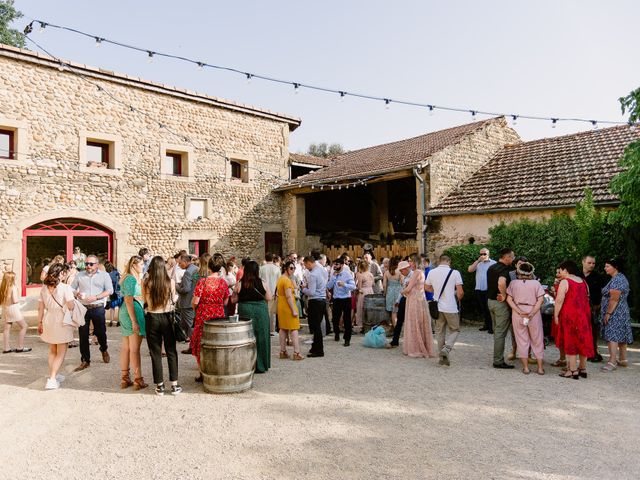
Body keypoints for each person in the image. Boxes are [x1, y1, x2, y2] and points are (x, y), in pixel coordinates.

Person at [143, 256, 181, 396]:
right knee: (171, 350)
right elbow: (173, 298)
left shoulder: (146, 283)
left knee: (155, 352)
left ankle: (160, 385)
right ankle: (174, 384)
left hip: (152, 316)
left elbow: (144, 301)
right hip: (166, 316)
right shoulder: (169, 282)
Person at [71, 254, 113, 371]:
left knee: (100, 332)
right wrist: (77, 293)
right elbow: (71, 288)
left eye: (90, 264)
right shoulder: (80, 275)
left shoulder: (104, 275)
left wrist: (96, 297)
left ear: (97, 264)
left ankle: (103, 348)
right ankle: (85, 360)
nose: (88, 266)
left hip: (98, 307)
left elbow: (110, 290)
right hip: (83, 308)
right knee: (83, 335)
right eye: (86, 264)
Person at [554, 260, 594, 379]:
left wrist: (556, 315)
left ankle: (572, 370)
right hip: (583, 316)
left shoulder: (565, 282)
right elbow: (587, 298)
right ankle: (582, 368)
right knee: (582, 341)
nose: (560, 272)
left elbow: (559, 300)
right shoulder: (583, 282)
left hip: (569, 316)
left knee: (570, 341)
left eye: (561, 270)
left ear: (566, 270)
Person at [38, 263, 75, 389]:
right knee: (61, 351)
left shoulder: (44, 288)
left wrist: (40, 322)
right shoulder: (65, 287)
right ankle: (52, 378)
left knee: (53, 350)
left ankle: (54, 375)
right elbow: (71, 306)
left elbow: (40, 307)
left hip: (48, 318)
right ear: (61, 273)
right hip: (61, 319)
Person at [191, 258, 229, 381]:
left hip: (204, 314)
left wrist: (195, 307)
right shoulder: (223, 283)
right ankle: (217, 370)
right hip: (218, 314)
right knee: (217, 342)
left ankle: (202, 372)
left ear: (209, 267)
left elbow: (195, 301)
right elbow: (226, 301)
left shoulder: (203, 282)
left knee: (202, 342)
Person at [505, 262, 545, 375]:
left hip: (518, 313)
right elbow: (540, 300)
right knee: (537, 339)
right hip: (534, 312)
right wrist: (532, 313)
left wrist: (518, 311)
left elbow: (509, 300)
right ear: (531, 272)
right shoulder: (536, 284)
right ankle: (540, 368)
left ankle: (526, 367)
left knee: (522, 340)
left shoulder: (513, 283)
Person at [425, 255, 463, 366]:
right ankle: (447, 348)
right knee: (455, 329)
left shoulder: (432, 272)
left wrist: (435, 291)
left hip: (437, 306)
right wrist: (457, 298)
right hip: (450, 307)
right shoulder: (455, 273)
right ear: (449, 261)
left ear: (439, 261)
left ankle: (443, 359)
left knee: (440, 331)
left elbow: (427, 287)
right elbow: (460, 292)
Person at [235, 261, 272, 373]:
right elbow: (269, 297)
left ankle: (248, 364)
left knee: (246, 337)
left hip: (245, 310)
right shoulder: (263, 282)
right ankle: (261, 365)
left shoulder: (240, 283)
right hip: (260, 311)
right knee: (262, 336)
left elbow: (234, 299)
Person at [118, 255, 147, 390]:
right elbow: (129, 300)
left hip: (127, 311)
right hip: (132, 311)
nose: (143, 266)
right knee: (134, 349)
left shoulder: (130, 278)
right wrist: (135, 320)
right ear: (134, 265)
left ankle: (125, 379)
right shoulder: (130, 278)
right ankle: (138, 379)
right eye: (141, 264)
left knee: (127, 347)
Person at [600, 258, 633, 372]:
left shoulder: (618, 280)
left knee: (612, 335)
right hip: (621, 311)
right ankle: (623, 359)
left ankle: (612, 361)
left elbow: (614, 299)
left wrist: (608, 313)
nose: (605, 268)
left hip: (616, 312)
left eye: (607, 266)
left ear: (615, 267)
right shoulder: (618, 278)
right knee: (621, 335)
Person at [402, 256, 436, 358]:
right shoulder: (421, 272)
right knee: (420, 322)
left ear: (415, 263)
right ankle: (422, 345)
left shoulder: (416, 272)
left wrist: (402, 291)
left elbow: (408, 289)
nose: (409, 264)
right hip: (420, 299)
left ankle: (416, 347)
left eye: (410, 262)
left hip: (414, 300)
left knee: (414, 322)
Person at [487, 248, 516, 369]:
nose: (513, 259)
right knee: (500, 333)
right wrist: (504, 295)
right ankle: (498, 361)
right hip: (500, 304)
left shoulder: (491, 267)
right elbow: (501, 282)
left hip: (490, 302)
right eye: (512, 257)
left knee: (496, 331)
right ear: (507, 257)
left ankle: (497, 356)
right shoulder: (505, 269)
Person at [276, 261, 304, 360]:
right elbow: (288, 296)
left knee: (283, 328)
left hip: (281, 305)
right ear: (286, 268)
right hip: (288, 306)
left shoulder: (281, 279)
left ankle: (283, 351)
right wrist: (293, 310)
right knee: (294, 329)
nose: (293, 270)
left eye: (294, 268)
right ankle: (296, 352)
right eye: (291, 268)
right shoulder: (286, 280)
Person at [327, 257, 357, 346]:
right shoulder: (333, 274)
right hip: (336, 299)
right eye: (334, 264)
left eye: (336, 264)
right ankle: (336, 333)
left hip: (346, 299)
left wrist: (344, 284)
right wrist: (333, 278)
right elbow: (328, 286)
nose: (334, 266)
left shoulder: (347, 274)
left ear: (342, 265)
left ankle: (347, 339)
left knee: (347, 319)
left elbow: (353, 287)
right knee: (335, 319)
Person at [301, 256, 327, 357]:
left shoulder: (312, 275)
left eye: (305, 265)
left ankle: (319, 350)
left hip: (315, 301)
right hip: (322, 300)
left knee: (315, 327)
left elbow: (311, 292)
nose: (306, 267)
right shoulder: (322, 269)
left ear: (309, 263)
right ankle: (315, 346)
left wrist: (303, 289)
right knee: (317, 326)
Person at [582, 255, 605, 363]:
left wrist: (599, 305)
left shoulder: (598, 277)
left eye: (593, 263)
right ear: (583, 262)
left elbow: (604, 292)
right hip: (579, 306)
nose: (591, 265)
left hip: (593, 307)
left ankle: (593, 352)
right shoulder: (577, 275)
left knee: (592, 330)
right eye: (589, 263)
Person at [1, 271, 31, 353]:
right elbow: (15, 300)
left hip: (5, 308)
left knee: (7, 328)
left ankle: (6, 348)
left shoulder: (3, 287)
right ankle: (20, 347)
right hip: (13, 309)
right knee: (24, 326)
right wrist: (22, 300)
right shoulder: (13, 287)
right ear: (12, 279)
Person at [468, 248, 496, 333]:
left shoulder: (493, 263)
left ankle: (492, 327)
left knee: (490, 309)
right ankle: (486, 325)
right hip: (479, 289)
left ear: (488, 254)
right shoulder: (478, 264)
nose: (482, 256)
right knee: (483, 309)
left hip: (489, 289)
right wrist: (477, 261)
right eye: (481, 254)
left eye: (484, 254)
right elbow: (470, 270)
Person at [175, 254, 199, 355]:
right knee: (190, 325)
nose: (179, 265)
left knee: (188, 326)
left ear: (185, 262)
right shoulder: (196, 268)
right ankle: (192, 346)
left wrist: (176, 286)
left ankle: (193, 347)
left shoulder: (188, 272)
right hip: (194, 300)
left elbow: (186, 289)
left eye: (180, 263)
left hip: (187, 302)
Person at [259, 253, 281, 336]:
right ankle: (272, 330)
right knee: (272, 313)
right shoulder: (277, 268)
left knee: (265, 311)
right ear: (273, 259)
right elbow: (279, 282)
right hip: (273, 292)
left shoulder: (262, 268)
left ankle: (265, 328)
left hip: (264, 292)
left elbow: (259, 280)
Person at [383, 256, 403, 327]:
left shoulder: (386, 273)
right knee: (400, 311)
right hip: (399, 292)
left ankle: (396, 329)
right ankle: (401, 328)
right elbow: (402, 283)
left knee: (393, 312)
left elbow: (384, 285)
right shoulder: (400, 272)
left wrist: (385, 293)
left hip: (390, 293)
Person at [355, 260, 374, 329]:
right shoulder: (370, 274)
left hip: (363, 292)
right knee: (369, 309)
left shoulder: (360, 275)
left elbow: (359, 287)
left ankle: (363, 325)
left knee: (361, 308)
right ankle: (369, 324)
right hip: (370, 291)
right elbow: (373, 284)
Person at [104, 260, 122, 327]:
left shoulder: (107, 274)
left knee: (112, 307)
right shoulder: (116, 272)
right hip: (119, 291)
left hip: (112, 291)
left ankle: (111, 321)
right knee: (119, 307)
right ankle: (118, 321)